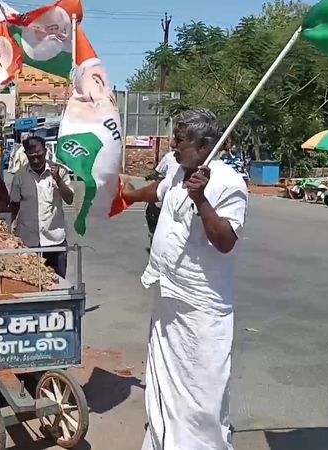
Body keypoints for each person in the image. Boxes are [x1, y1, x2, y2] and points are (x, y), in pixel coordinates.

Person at [121, 110, 248, 450]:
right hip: (168, 299)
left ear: (206, 145)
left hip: (202, 308)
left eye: (181, 140)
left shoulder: (228, 182)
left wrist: (201, 200)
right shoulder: (180, 171)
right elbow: (159, 191)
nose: (173, 146)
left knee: (202, 392)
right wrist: (130, 195)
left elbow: (225, 242)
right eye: (174, 137)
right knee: (166, 383)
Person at [10, 136, 73, 277]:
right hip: (28, 242)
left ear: (45, 151)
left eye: (39, 155)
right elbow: (14, 205)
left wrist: (58, 181)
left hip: (54, 240)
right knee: (30, 283)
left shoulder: (60, 172)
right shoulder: (20, 176)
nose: (36, 160)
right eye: (31, 156)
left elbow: (69, 199)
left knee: (58, 283)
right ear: (26, 154)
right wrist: (12, 232)